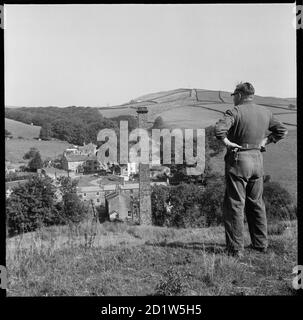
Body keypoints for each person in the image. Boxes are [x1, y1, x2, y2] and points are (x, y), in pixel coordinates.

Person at [214, 82, 288, 258]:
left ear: (239, 95)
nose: (234, 99)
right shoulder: (265, 112)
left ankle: (235, 248)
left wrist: (228, 143)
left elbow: (219, 130)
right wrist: (265, 141)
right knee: (256, 203)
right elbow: (282, 131)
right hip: (257, 161)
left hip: (239, 161)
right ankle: (261, 245)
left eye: (234, 96)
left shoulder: (235, 112)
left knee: (235, 204)